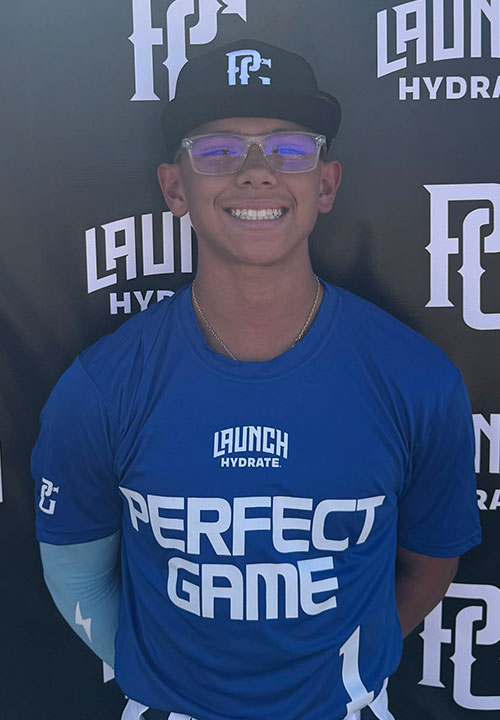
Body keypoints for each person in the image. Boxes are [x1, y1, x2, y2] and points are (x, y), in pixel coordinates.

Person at [32, 39, 481, 720]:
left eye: (289, 150)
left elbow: (429, 564)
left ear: (325, 184)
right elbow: (77, 573)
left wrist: (334, 674)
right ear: (174, 188)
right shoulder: (102, 387)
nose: (256, 173)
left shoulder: (416, 379)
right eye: (217, 151)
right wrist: (172, 686)